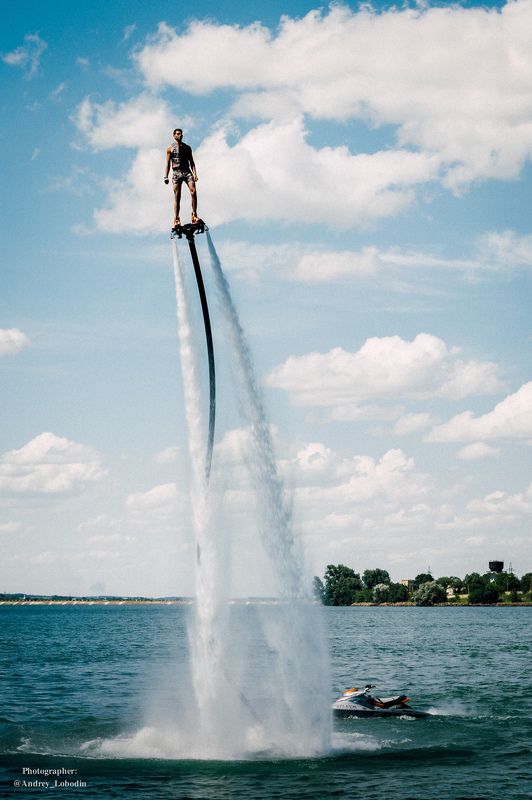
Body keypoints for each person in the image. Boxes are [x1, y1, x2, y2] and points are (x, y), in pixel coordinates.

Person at [164, 128, 199, 226]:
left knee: (193, 191)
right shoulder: (170, 148)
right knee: (177, 196)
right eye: (178, 134)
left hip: (187, 172)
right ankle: (176, 218)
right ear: (174, 135)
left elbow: (192, 162)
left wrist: (195, 173)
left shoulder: (187, 148)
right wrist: (165, 176)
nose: (180, 135)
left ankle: (194, 214)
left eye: (181, 134)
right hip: (176, 173)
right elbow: (167, 163)